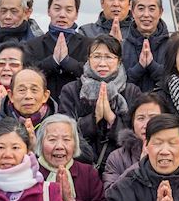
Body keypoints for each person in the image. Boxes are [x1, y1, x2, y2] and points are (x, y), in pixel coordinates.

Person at [58, 34, 141, 170]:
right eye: (96, 56)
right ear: (88, 59)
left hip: (122, 167)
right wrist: (94, 118)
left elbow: (137, 139)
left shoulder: (132, 92)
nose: (102, 63)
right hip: (81, 166)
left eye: (109, 57)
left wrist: (112, 119)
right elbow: (64, 133)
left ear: (119, 61)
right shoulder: (71, 90)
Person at [0, 68, 57, 170]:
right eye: (21, 90)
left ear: (45, 96)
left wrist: (35, 150)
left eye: (34, 90)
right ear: (11, 95)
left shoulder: (59, 124)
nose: (28, 96)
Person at [22, 0, 90, 99]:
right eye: (57, 9)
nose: (62, 14)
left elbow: (92, 73)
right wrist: (52, 61)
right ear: (49, 11)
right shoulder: (32, 45)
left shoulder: (88, 45)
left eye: (69, 10)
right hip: (42, 104)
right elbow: (27, 75)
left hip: (77, 104)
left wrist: (68, 62)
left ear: (76, 14)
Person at [102, 93, 165, 189]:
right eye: (141, 118)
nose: (146, 125)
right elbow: (110, 193)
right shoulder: (117, 157)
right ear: (132, 123)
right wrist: (139, 166)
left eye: (153, 118)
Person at [121, 0, 171, 90]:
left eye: (152, 9)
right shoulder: (121, 46)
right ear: (132, 12)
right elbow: (116, 84)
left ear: (160, 12)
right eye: (141, 9)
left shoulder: (174, 46)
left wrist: (152, 66)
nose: (146, 14)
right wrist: (139, 67)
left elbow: (178, 83)